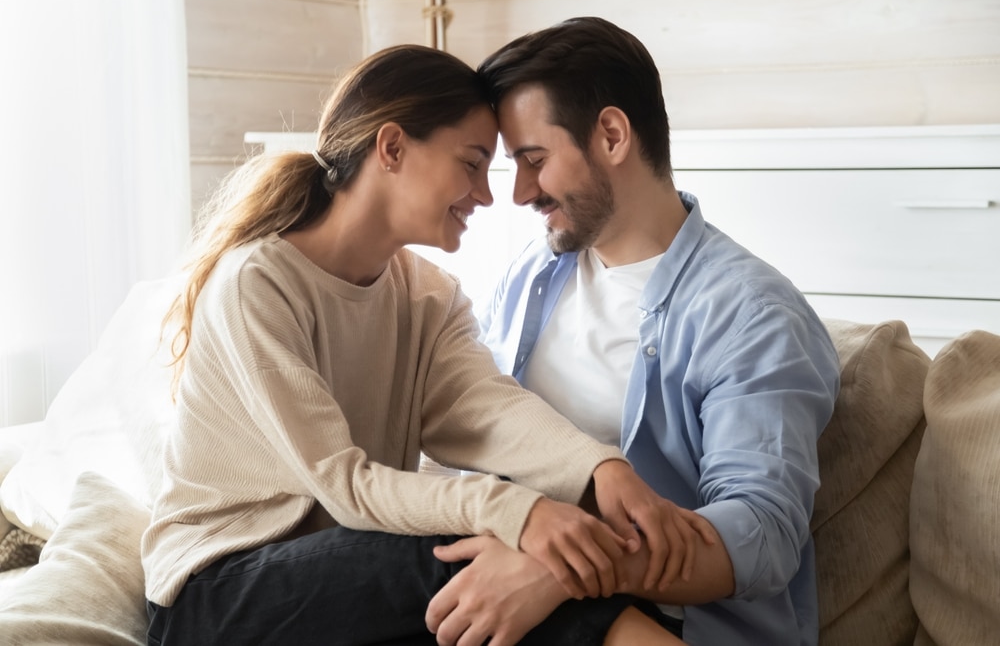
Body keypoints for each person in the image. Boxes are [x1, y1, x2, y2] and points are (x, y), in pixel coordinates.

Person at [140, 43, 707, 646]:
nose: (488, 196)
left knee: (514, 589)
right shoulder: (258, 284)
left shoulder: (427, 294)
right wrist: (516, 512)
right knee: (458, 557)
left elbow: (488, 411)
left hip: (342, 586)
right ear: (392, 148)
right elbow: (345, 486)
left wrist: (601, 469)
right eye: (471, 163)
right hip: (213, 595)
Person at [426, 17, 841, 646]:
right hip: (501, 582)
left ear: (613, 135)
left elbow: (761, 531)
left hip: (659, 623)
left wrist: (564, 568)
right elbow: (472, 422)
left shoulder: (751, 312)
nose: (521, 193)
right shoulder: (532, 273)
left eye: (534, 160)